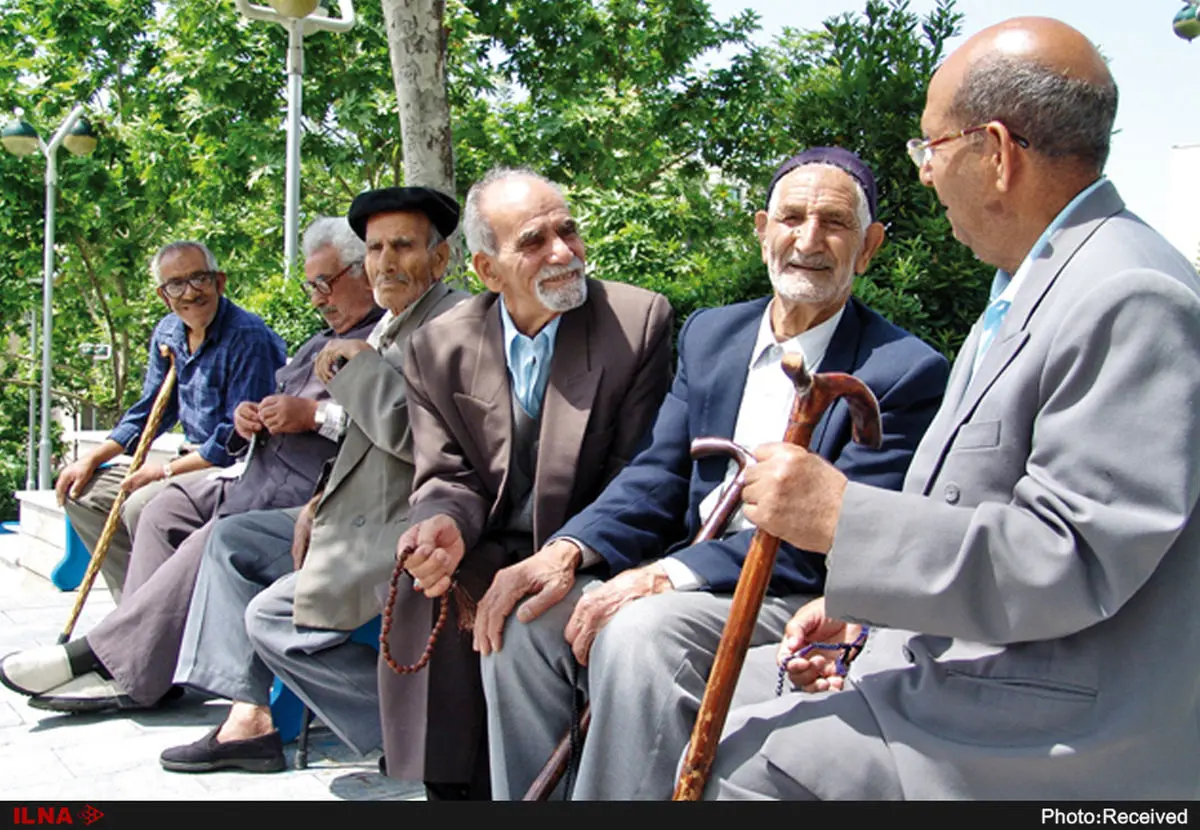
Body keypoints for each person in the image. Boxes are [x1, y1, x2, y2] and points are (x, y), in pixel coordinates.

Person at [699, 17, 1200, 801]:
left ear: (996, 154)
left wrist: (842, 518)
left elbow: (1071, 558)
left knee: (749, 758)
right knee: (713, 692)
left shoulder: (1129, 293)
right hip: (984, 663)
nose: (926, 174)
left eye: (930, 149)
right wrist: (864, 614)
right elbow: (982, 509)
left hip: (1062, 723)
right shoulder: (1034, 283)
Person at [480, 148, 951, 801]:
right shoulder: (711, 336)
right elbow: (659, 473)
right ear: (762, 230)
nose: (808, 240)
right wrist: (567, 550)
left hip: (790, 595)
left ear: (868, 247)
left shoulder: (903, 371)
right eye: (790, 218)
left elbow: (827, 540)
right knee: (524, 615)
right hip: (692, 581)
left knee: (643, 633)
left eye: (834, 224)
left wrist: (665, 576)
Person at [0, 218, 382, 712]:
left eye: (326, 284)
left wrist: (311, 416)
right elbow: (164, 412)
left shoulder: (376, 340)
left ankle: (109, 660)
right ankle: (146, 662)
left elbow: (384, 424)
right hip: (252, 472)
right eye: (312, 286)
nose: (316, 298)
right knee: (160, 511)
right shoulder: (314, 338)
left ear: (364, 274)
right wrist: (255, 417)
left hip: (304, 490)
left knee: (206, 534)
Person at [379, 166, 674, 800]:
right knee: (426, 583)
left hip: (592, 548)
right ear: (488, 271)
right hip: (491, 544)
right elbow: (447, 473)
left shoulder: (637, 321)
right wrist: (443, 526)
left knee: (521, 615)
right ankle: (452, 792)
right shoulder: (437, 346)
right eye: (534, 241)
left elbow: (641, 474)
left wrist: (567, 555)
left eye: (568, 230)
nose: (563, 252)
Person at [157, 186, 468, 775]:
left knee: (271, 617)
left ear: (440, 257)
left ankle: (414, 728)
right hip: (346, 511)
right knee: (231, 540)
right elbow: (360, 437)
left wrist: (357, 368)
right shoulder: (391, 325)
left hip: (403, 525)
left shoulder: (453, 321)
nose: (386, 261)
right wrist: (317, 501)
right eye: (376, 247)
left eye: (402, 245)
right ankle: (249, 717)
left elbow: (413, 437)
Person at [56, 241, 287, 602]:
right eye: (176, 285)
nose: (190, 293)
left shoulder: (248, 336)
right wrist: (93, 458)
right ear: (164, 296)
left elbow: (235, 440)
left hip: (234, 468)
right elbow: (153, 411)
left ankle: (151, 615)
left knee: (139, 504)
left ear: (219, 282)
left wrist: (164, 473)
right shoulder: (168, 333)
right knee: (82, 494)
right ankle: (136, 606)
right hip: (188, 459)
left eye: (199, 279)